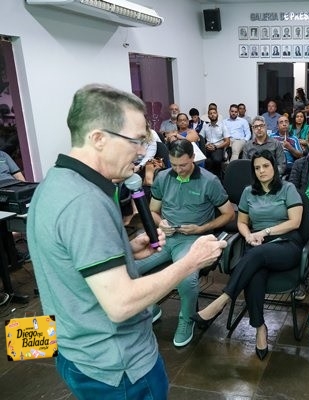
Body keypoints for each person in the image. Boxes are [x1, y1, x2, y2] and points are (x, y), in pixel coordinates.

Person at [27, 84, 225, 398]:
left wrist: (126, 250)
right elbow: (121, 304)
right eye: (136, 140)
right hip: (119, 367)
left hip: (77, 351)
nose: (142, 151)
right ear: (98, 138)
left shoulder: (56, 181)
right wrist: (191, 262)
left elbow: (72, 262)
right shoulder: (85, 202)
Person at [192, 150, 304, 360]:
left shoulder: (288, 189)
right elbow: (242, 222)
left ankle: (222, 300)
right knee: (254, 274)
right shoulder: (248, 192)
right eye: (257, 168)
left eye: (266, 166)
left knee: (254, 256)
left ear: (274, 167)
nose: (261, 171)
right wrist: (249, 235)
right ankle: (260, 328)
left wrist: (264, 232)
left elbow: (295, 222)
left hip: (286, 243)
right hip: (257, 242)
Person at [136, 139, 234, 347]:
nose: (178, 170)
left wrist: (201, 229)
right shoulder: (163, 177)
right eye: (174, 165)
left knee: (186, 279)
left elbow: (228, 214)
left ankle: (187, 319)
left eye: (183, 165)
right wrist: (161, 222)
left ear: (193, 158)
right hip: (166, 236)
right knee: (129, 266)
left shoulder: (209, 181)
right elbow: (153, 211)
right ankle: (149, 307)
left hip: (192, 239)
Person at [200, 107, 231, 177]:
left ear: (217, 115)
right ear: (208, 116)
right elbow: (200, 138)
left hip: (218, 147)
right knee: (200, 159)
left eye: (214, 113)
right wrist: (205, 145)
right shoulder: (205, 126)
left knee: (216, 160)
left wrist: (216, 147)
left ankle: (217, 177)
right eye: (210, 113)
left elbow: (227, 141)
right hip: (207, 147)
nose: (212, 115)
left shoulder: (223, 126)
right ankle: (205, 177)